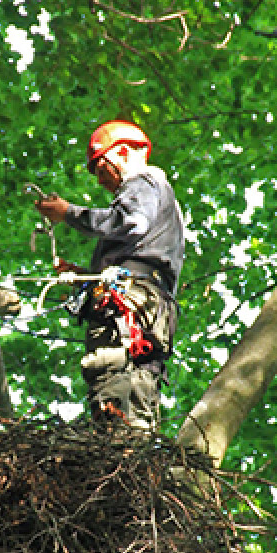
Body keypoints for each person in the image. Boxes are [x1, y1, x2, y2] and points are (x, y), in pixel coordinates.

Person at [35, 120, 184, 431]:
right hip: (146, 305)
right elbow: (139, 246)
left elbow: (132, 224)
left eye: (103, 169)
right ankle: (132, 454)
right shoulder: (160, 198)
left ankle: (121, 448)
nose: (102, 181)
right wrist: (85, 276)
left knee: (114, 381)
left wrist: (68, 214)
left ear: (125, 153)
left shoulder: (143, 182)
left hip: (129, 303)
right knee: (136, 388)